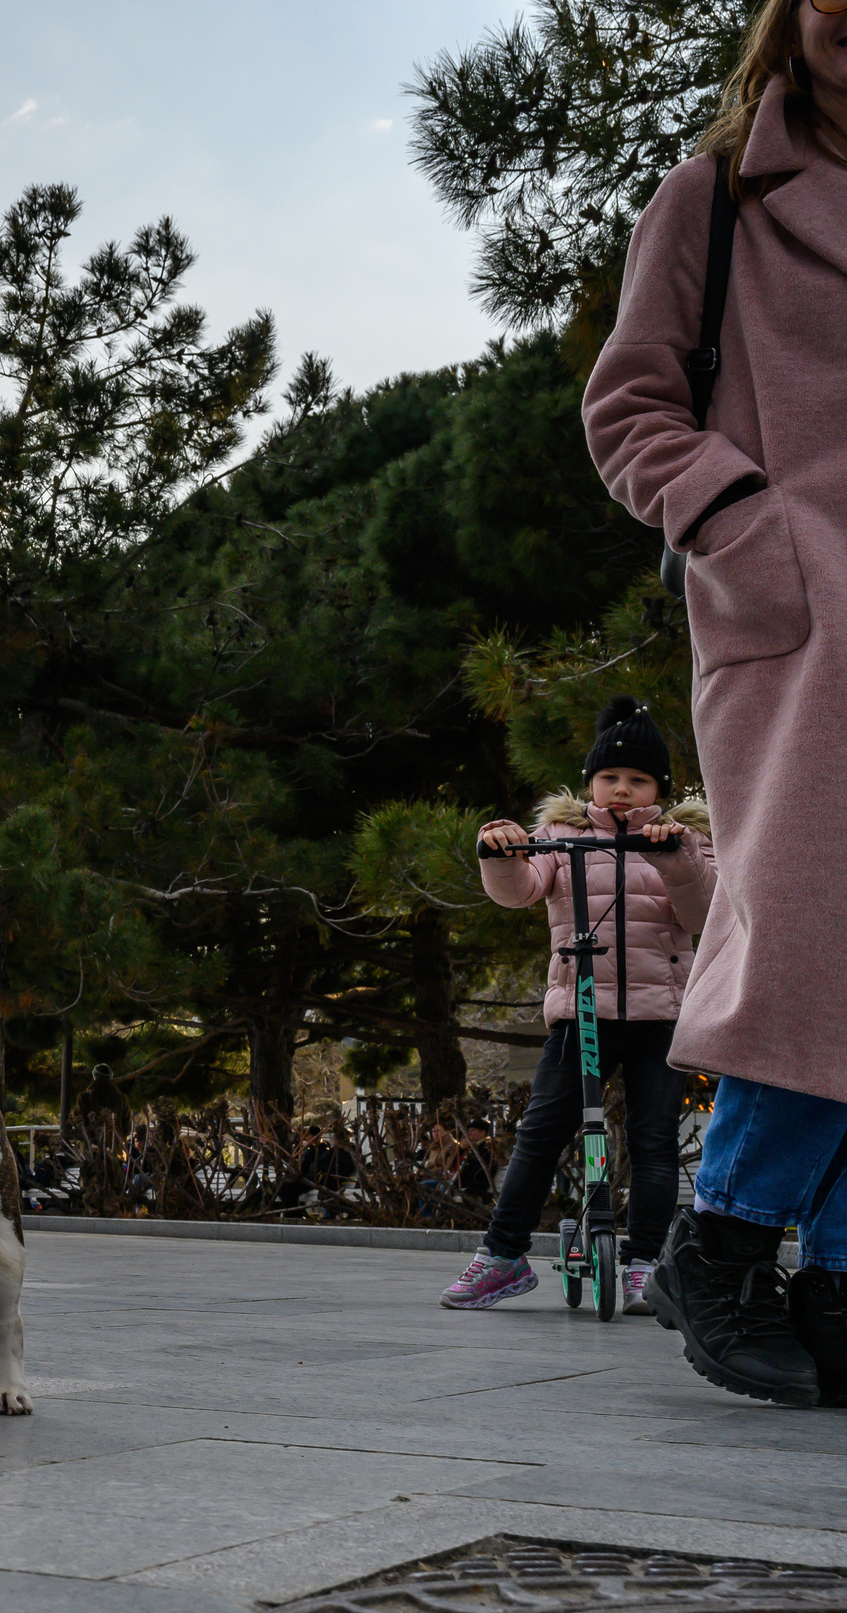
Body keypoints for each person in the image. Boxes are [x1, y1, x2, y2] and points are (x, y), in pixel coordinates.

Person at [584, 4, 847, 1404]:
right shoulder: (720, 192)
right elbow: (627, 406)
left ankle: (844, 1272)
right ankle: (726, 1239)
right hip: (804, 616)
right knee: (811, 929)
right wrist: (747, 522)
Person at [442, 702, 715, 1315]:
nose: (622, 790)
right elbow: (520, 890)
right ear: (590, 782)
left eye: (639, 780)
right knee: (540, 1135)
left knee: (652, 1143)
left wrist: (676, 859)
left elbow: (705, 916)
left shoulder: (687, 841)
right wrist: (500, 851)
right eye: (610, 777)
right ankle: (503, 1256)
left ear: (660, 790)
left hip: (659, 1019)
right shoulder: (560, 840)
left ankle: (645, 1263)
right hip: (579, 1014)